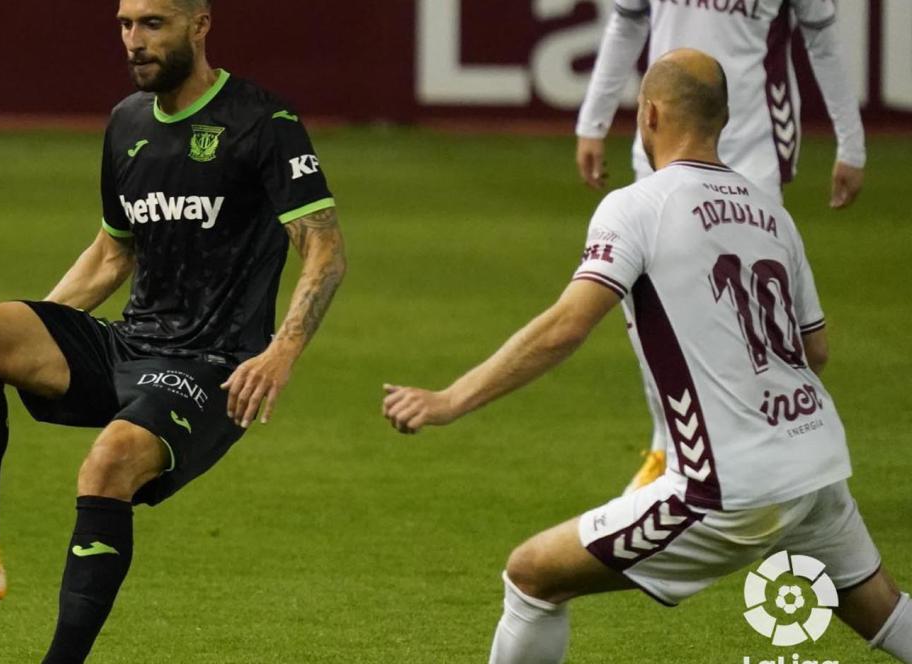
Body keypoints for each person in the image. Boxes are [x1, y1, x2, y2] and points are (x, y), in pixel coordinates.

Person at [384, 49, 909, 664]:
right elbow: (814, 349)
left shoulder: (638, 205)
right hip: (815, 460)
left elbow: (565, 327)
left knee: (532, 576)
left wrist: (449, 399)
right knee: (883, 609)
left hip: (728, 489)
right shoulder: (772, 215)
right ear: (724, 119)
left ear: (649, 114)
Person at [0, 1, 347, 661]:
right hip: (131, 343)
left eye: (153, 23)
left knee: (109, 461)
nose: (134, 40)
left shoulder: (263, 122)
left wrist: (282, 349)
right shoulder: (127, 122)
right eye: (125, 24)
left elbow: (324, 247)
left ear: (199, 25)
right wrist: (38, 332)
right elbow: (111, 254)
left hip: (213, 366)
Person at [575, 0, 868, 493]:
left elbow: (820, 32)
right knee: (652, 304)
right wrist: (593, 120)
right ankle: (669, 447)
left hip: (753, 147)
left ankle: (776, 444)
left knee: (756, 311)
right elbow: (627, 21)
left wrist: (851, 142)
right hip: (662, 144)